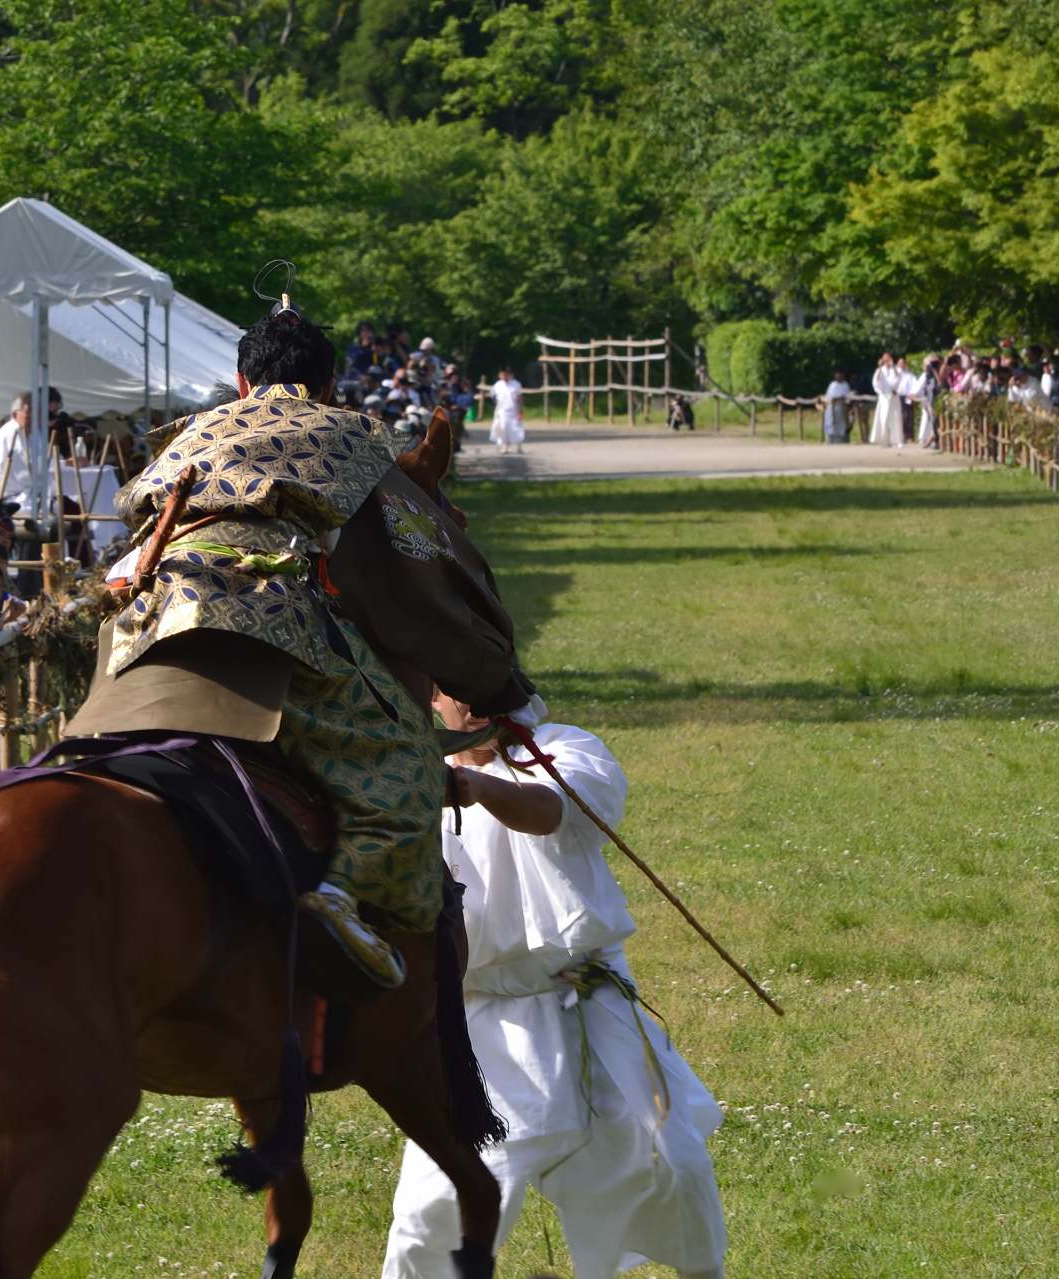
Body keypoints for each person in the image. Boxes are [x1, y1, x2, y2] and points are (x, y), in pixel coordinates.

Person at [65, 304, 525, 987]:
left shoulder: (192, 433)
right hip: (262, 617)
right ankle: (343, 891)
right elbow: (413, 586)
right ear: (332, 384)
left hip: (142, 625)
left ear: (241, 382)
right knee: (405, 764)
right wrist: (496, 681)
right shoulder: (352, 438)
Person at [382, 693, 727, 1279]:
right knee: (440, 1202)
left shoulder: (563, 747)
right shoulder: (403, 775)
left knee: (672, 1162)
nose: (473, 702)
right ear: (430, 696)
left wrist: (481, 790)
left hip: (590, 1003)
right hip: (481, 1019)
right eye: (455, 690)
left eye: (483, 686)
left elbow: (550, 809)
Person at [0, 391, 50, 535]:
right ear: (15, 414)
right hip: (10, 496)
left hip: (33, 494)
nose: (34, 416)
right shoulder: (8, 434)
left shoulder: (36, 433)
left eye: (37, 411)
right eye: (29, 411)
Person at [868, 353, 905, 447]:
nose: (887, 361)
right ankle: (885, 441)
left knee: (896, 418)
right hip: (884, 397)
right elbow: (876, 381)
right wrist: (880, 367)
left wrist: (893, 367)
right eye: (885, 360)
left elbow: (899, 377)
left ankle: (898, 441)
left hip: (894, 397)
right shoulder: (880, 370)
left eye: (889, 359)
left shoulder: (896, 369)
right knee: (884, 419)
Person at [488, 367, 524, 455]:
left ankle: (519, 446)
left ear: (509, 375)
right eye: (502, 375)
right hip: (502, 411)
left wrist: (520, 410)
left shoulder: (516, 384)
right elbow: (493, 396)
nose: (503, 376)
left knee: (516, 428)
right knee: (502, 428)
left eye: (505, 374)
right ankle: (505, 447)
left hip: (513, 410)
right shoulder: (497, 385)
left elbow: (519, 398)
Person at [820, 369, 852, 444]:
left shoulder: (845, 385)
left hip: (841, 409)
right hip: (831, 409)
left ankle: (842, 440)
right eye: (837, 375)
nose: (839, 376)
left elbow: (847, 397)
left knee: (842, 424)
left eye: (840, 375)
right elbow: (828, 397)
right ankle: (831, 439)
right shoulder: (832, 385)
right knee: (831, 424)